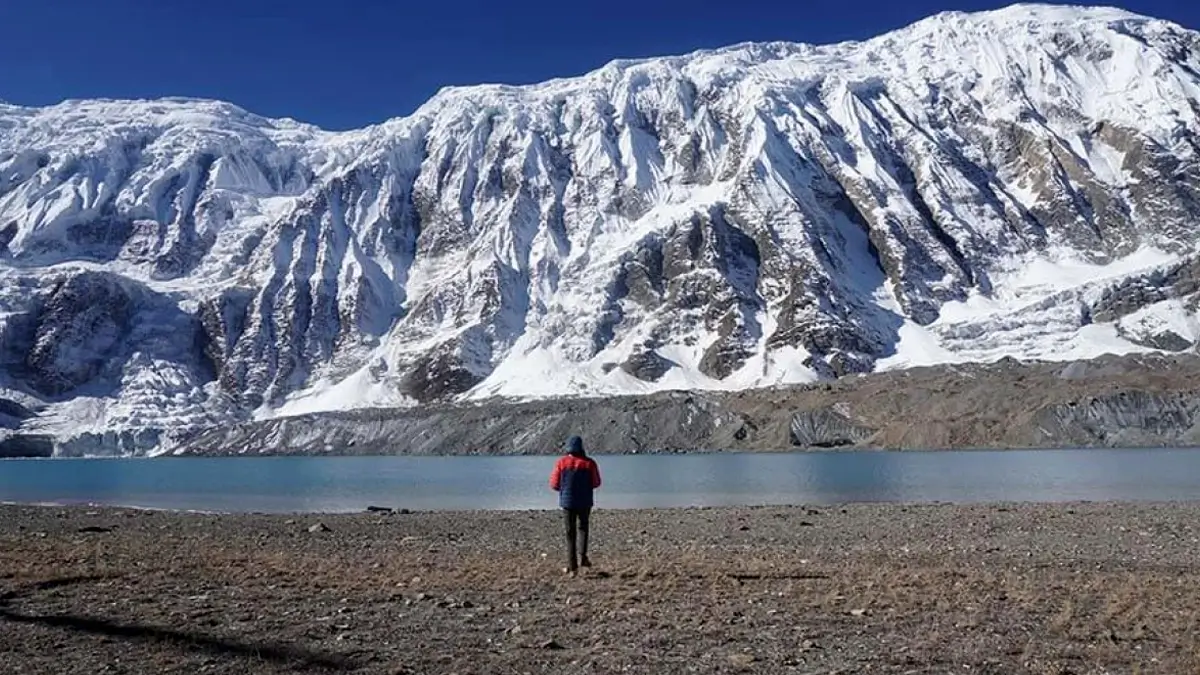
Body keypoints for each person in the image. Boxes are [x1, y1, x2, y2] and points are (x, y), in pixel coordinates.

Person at [548, 435, 601, 574]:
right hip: (585, 502)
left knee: (570, 534)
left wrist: (565, 488)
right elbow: (596, 483)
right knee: (583, 528)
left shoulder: (561, 463)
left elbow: (554, 484)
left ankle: (572, 566)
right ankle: (583, 557)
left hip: (568, 503)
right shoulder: (589, 463)